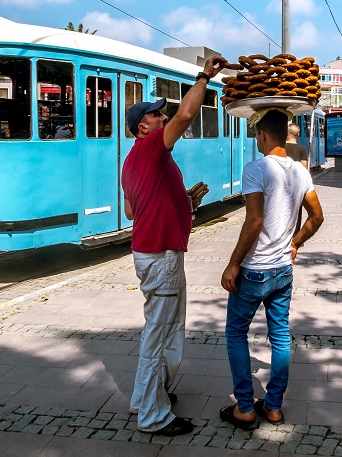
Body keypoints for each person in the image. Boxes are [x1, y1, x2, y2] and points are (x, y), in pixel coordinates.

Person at [121, 55, 226, 436]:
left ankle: (148, 396)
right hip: (161, 255)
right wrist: (204, 77)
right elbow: (184, 115)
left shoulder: (131, 163)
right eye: (155, 116)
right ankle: (152, 415)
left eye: (160, 115)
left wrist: (183, 202)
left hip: (152, 252)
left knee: (164, 330)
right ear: (140, 128)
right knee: (159, 335)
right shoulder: (150, 147)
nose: (162, 119)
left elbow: (134, 212)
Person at [219, 109, 324, 430]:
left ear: (264, 134)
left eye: (256, 134)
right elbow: (317, 218)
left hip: (255, 269)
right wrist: (295, 243)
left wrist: (233, 263)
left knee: (236, 333)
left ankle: (245, 407)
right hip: (283, 270)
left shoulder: (255, 169)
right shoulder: (301, 173)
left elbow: (254, 220)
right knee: (279, 336)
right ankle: (274, 406)